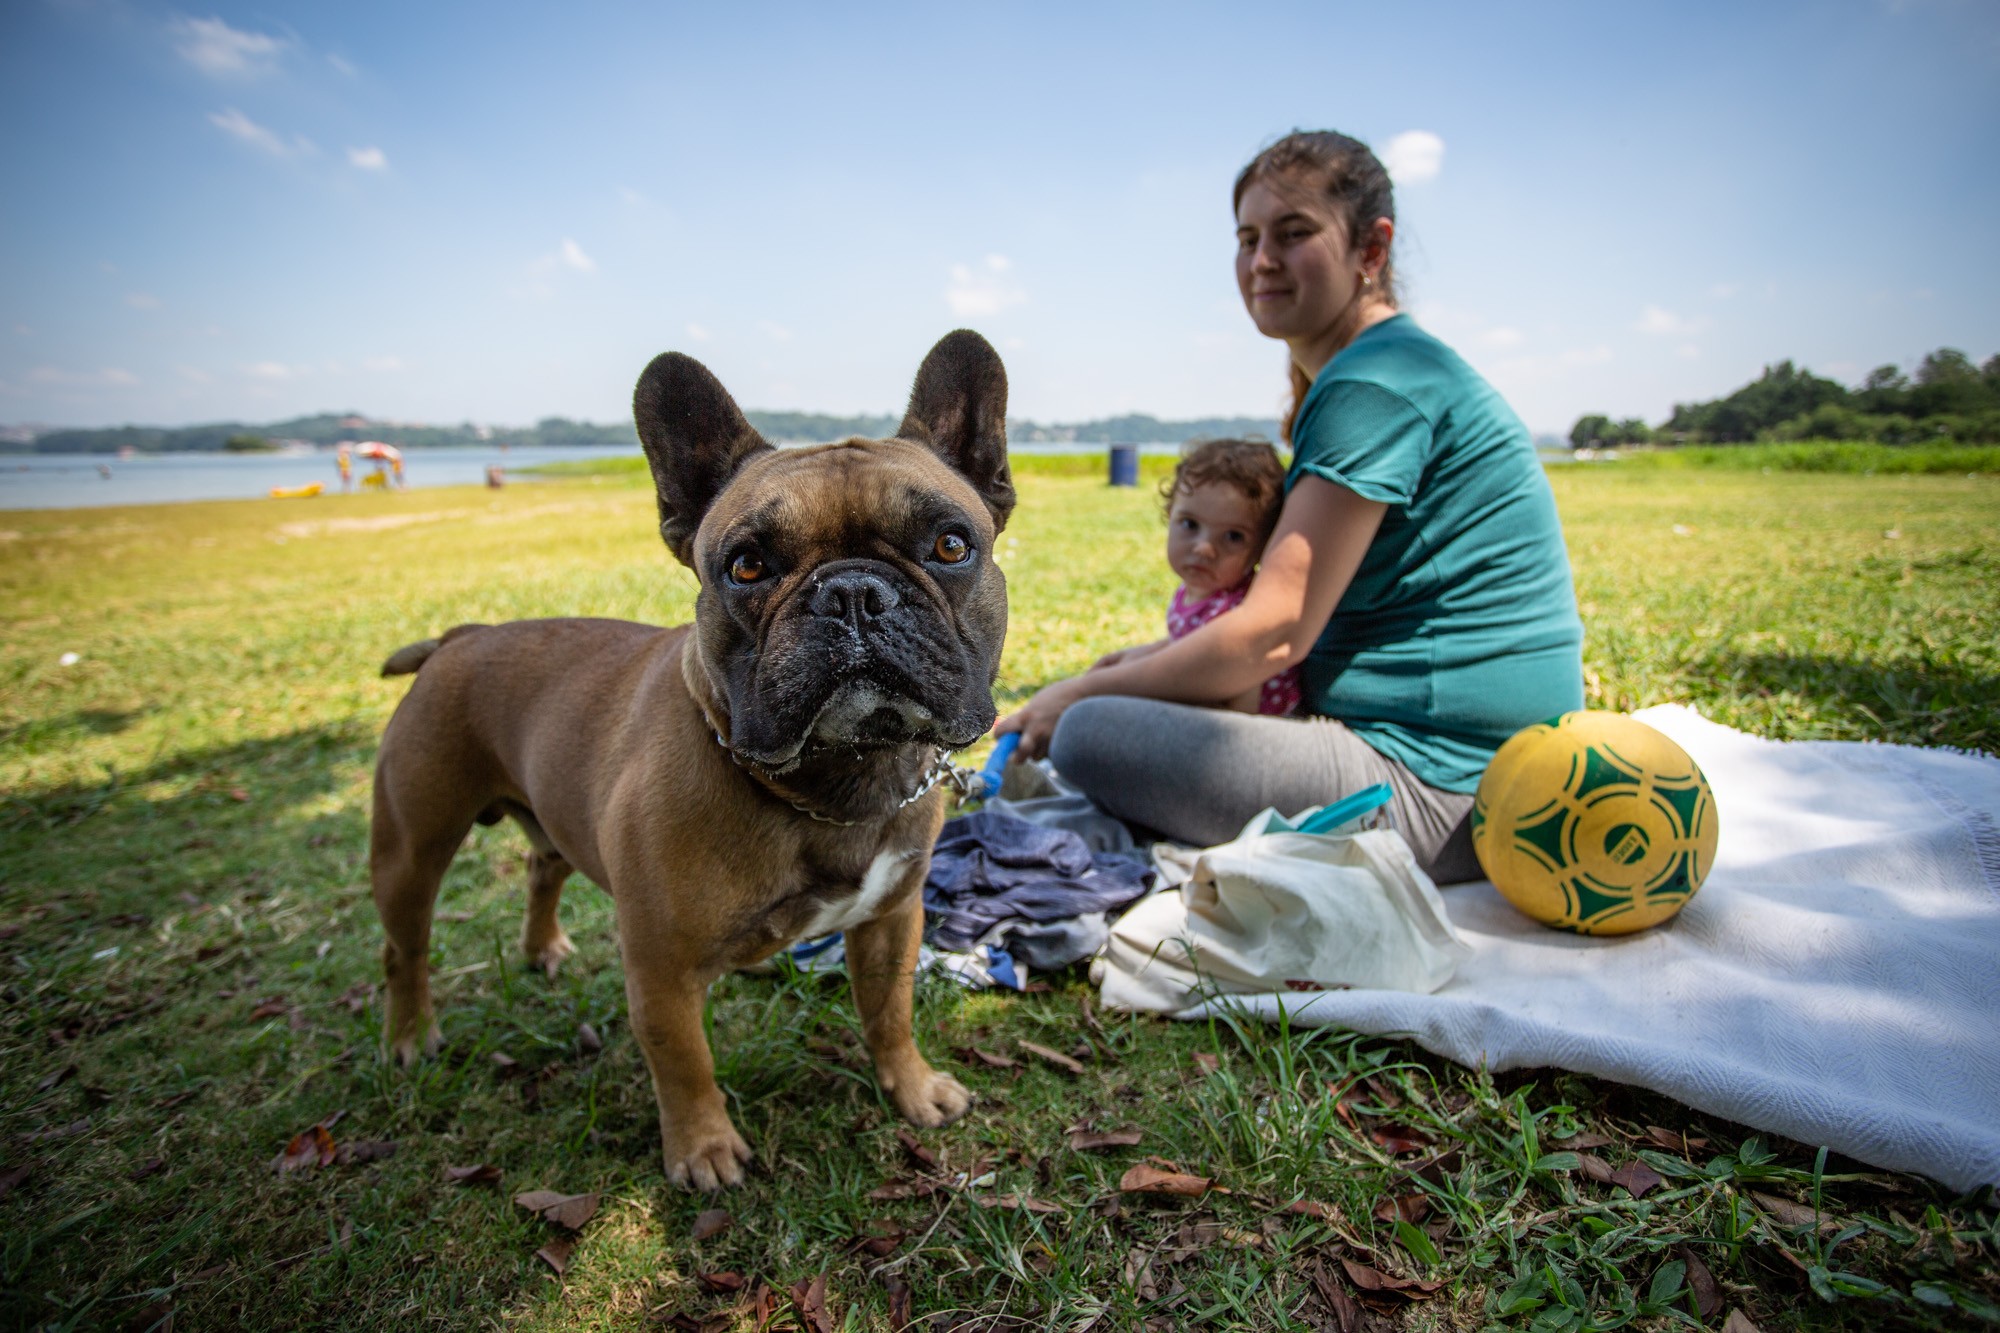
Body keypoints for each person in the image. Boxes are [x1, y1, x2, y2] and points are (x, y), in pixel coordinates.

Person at [994, 130, 1584, 883]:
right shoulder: (1384, 365)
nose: (1261, 260)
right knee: (1119, 685)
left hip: (1451, 789)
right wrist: (1123, 664)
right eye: (1247, 238)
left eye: (1294, 233)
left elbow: (1273, 633)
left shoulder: (1374, 383)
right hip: (1480, 766)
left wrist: (1076, 692)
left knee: (1088, 732)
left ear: (1371, 249)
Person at [1095, 438, 1300, 717]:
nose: (1204, 548)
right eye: (1190, 524)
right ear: (1170, 515)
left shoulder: (1237, 612)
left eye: (1233, 536)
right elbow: (1185, 644)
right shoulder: (1197, 592)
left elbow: (1243, 705)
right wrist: (1135, 658)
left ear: (1262, 548)